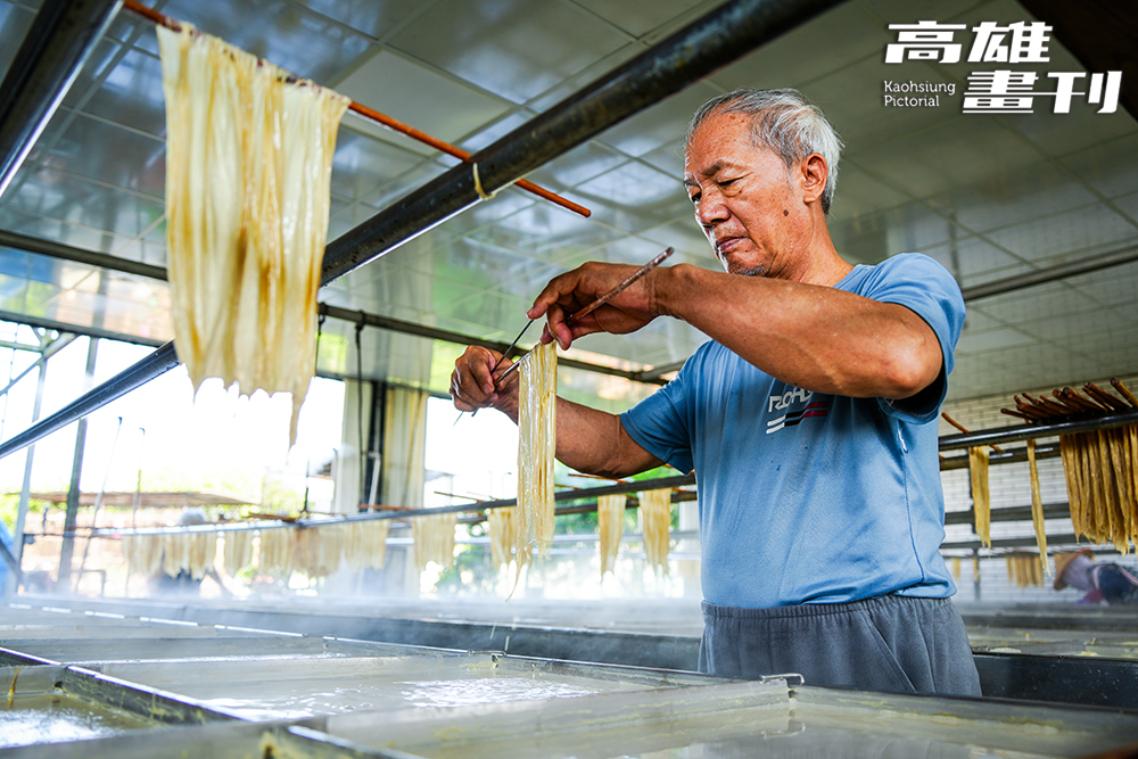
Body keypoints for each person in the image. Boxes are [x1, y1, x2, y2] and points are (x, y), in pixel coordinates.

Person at [450, 88, 980, 696]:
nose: (707, 211)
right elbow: (617, 447)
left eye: (726, 182)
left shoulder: (897, 285)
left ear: (809, 176)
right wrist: (514, 396)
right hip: (734, 639)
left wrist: (664, 290)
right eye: (696, 194)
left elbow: (900, 359)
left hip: (873, 633)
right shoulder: (714, 362)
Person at [1054, 548, 1138, 605]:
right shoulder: (1104, 572)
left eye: (1070, 581)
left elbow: (1118, 608)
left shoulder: (1105, 577)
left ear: (1073, 573)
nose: (1075, 586)